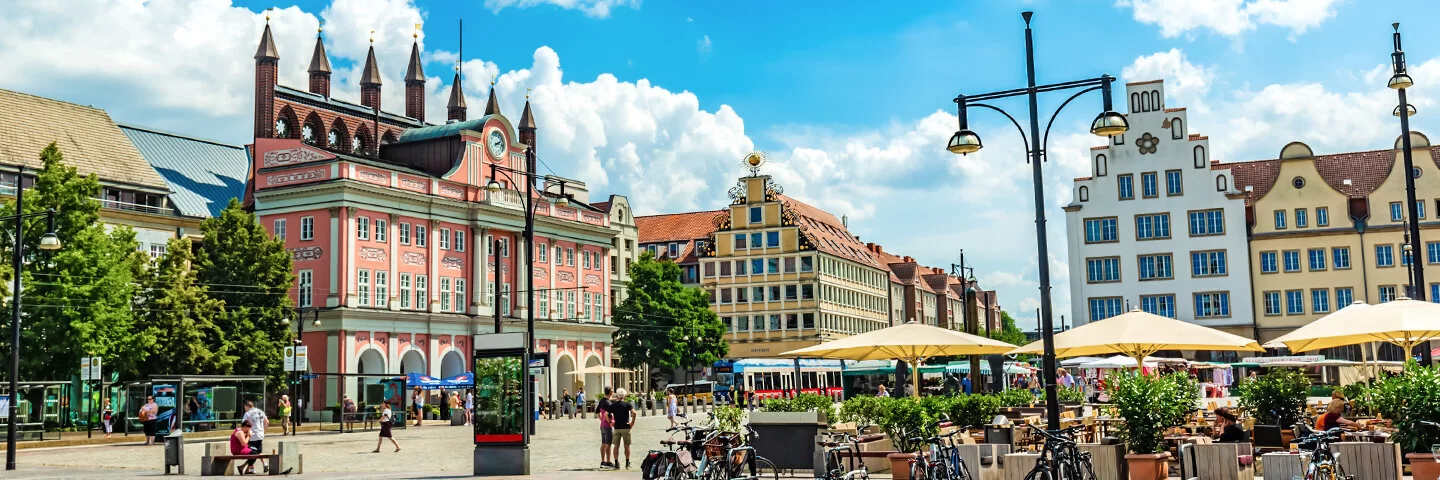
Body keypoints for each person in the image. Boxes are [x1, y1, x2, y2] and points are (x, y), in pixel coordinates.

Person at [607, 388, 637, 470]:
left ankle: (616, 463)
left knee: (616, 446)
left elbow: (606, 414)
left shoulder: (613, 405)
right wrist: (632, 422)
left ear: (617, 396)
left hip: (617, 427)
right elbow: (634, 412)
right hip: (626, 427)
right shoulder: (627, 404)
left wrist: (610, 422)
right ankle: (627, 463)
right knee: (626, 446)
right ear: (624, 396)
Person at [241, 400, 268, 474]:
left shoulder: (247, 413)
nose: (245, 409)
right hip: (260, 434)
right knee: (259, 450)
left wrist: (245, 433)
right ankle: (264, 463)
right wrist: (263, 430)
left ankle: (252, 469)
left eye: (245, 407)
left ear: (247, 406)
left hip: (252, 435)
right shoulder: (261, 411)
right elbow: (267, 422)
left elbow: (244, 424)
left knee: (251, 452)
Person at [597, 386, 615, 469]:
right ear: (611, 392)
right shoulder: (608, 403)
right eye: (612, 391)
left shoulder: (601, 401)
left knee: (603, 443)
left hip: (602, 425)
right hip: (607, 426)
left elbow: (597, 412)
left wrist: (602, 420)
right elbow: (607, 414)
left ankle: (602, 461)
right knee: (608, 444)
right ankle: (608, 461)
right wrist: (610, 422)